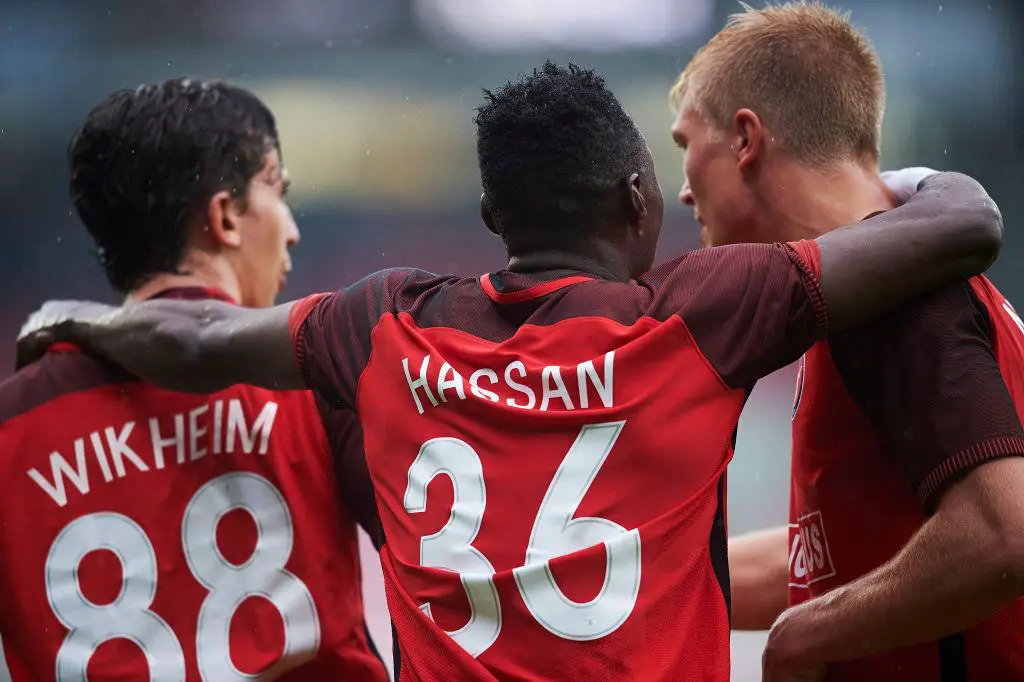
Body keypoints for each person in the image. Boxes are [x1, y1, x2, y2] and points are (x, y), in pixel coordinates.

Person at [16, 62, 1005, 681]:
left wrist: (79, 325)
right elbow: (963, 225)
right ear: (635, 200)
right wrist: (896, 178)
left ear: (492, 218)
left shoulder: (383, 324)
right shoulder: (703, 312)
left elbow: (194, 343)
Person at [669, 3, 1024, 681]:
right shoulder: (878, 283)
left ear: (745, 139)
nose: (684, 190)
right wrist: (642, 583)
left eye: (687, 146)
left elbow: (1004, 533)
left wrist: (803, 636)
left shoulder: (900, 296)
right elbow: (836, 561)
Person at [0, 78, 389, 681]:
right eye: (277, 190)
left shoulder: (12, 425)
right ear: (225, 216)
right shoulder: (317, 385)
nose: (291, 229)